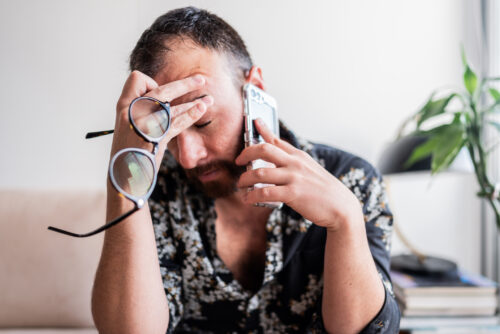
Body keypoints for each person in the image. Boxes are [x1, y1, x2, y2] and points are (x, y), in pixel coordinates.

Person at [91, 6, 400, 334]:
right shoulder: (153, 186)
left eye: (203, 121)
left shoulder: (352, 180)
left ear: (255, 87)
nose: (187, 158)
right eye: (170, 133)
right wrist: (124, 173)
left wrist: (346, 221)